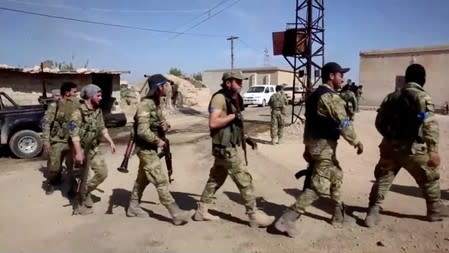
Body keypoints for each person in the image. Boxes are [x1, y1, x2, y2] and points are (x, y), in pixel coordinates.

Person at [274, 62, 364, 237]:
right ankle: (287, 219)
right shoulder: (330, 97)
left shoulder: (315, 95)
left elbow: (309, 123)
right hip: (323, 146)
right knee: (319, 186)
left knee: (336, 174)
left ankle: (338, 214)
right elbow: (344, 121)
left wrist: (307, 146)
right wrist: (356, 141)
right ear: (331, 76)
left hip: (317, 144)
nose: (342, 78)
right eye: (340, 75)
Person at [364, 64, 444, 227]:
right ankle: (434, 209)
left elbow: (379, 122)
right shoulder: (423, 97)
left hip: (390, 147)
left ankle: (373, 212)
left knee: (383, 179)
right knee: (429, 177)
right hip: (413, 149)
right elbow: (429, 124)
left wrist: (390, 137)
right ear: (423, 80)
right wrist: (433, 151)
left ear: (406, 78)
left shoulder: (391, 96)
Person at [193, 70, 274, 228]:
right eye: (237, 81)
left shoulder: (234, 98)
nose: (241, 83)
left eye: (241, 80)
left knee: (216, 179)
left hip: (227, 145)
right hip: (225, 148)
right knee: (244, 180)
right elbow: (213, 123)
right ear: (228, 82)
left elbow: (234, 125)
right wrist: (233, 116)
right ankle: (253, 214)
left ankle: (201, 210)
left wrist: (245, 138)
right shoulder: (219, 98)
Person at [126, 74, 193, 225]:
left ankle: (133, 206)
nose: (167, 88)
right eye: (164, 85)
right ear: (158, 88)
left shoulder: (156, 103)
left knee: (142, 179)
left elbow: (162, 121)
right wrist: (158, 141)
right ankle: (176, 213)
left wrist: (166, 126)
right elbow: (142, 131)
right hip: (145, 149)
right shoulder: (145, 104)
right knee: (160, 181)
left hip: (150, 148)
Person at [68, 84, 116, 215]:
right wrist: (78, 153)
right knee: (82, 177)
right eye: (98, 95)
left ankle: (85, 191)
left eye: (101, 95)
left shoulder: (98, 111)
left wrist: (111, 141)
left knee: (102, 173)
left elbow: (102, 128)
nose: (101, 97)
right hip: (82, 149)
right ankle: (80, 204)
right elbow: (74, 135)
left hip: (94, 148)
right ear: (90, 96)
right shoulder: (78, 113)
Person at [41, 82, 79, 195]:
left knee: (72, 167)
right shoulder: (54, 106)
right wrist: (46, 142)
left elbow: (78, 122)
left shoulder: (76, 104)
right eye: (74, 92)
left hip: (72, 141)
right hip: (57, 141)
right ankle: (52, 181)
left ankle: (72, 186)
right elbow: (45, 123)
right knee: (54, 167)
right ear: (67, 92)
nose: (76, 94)